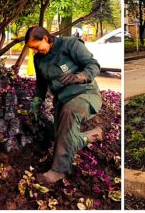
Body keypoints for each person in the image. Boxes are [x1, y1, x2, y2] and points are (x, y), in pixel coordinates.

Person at [26, 26, 103, 185]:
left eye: (36, 46)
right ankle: (91, 136)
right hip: (62, 100)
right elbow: (41, 86)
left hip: (85, 94)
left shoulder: (70, 44)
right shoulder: (39, 59)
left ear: (46, 39)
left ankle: (59, 170)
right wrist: (36, 102)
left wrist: (79, 77)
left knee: (69, 113)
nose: (35, 51)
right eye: (32, 48)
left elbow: (93, 65)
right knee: (60, 138)